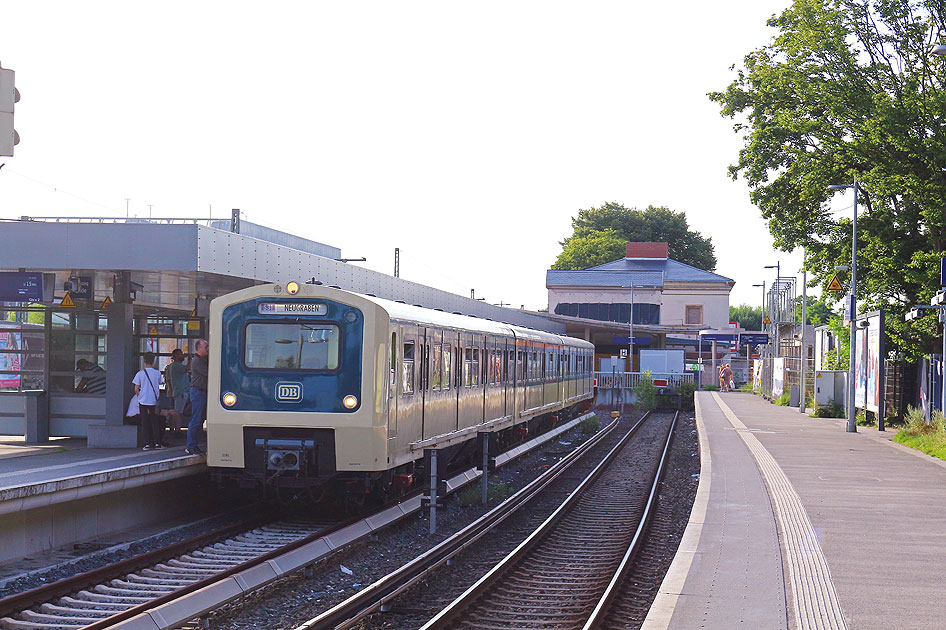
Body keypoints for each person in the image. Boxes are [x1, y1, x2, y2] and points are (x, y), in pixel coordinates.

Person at [133, 352, 164, 450]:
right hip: (153, 401)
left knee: (145, 422)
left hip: (143, 401)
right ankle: (157, 443)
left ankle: (147, 444)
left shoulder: (140, 374)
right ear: (153, 361)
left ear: (144, 361)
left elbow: (136, 388)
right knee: (155, 422)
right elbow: (160, 383)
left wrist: (139, 396)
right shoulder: (157, 373)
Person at [187, 339, 209, 455]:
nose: (208, 349)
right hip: (198, 392)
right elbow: (209, 373)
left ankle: (194, 445)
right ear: (199, 348)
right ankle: (190, 446)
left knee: (199, 420)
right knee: (195, 420)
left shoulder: (201, 360)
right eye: (206, 347)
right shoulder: (197, 361)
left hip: (201, 392)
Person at [165, 348, 190, 434]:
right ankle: (177, 431)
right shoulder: (176, 365)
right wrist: (190, 359)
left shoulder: (172, 366)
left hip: (176, 392)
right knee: (178, 413)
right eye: (180, 354)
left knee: (176, 411)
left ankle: (173, 428)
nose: (182, 355)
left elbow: (168, 379)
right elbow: (187, 368)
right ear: (176, 356)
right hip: (180, 392)